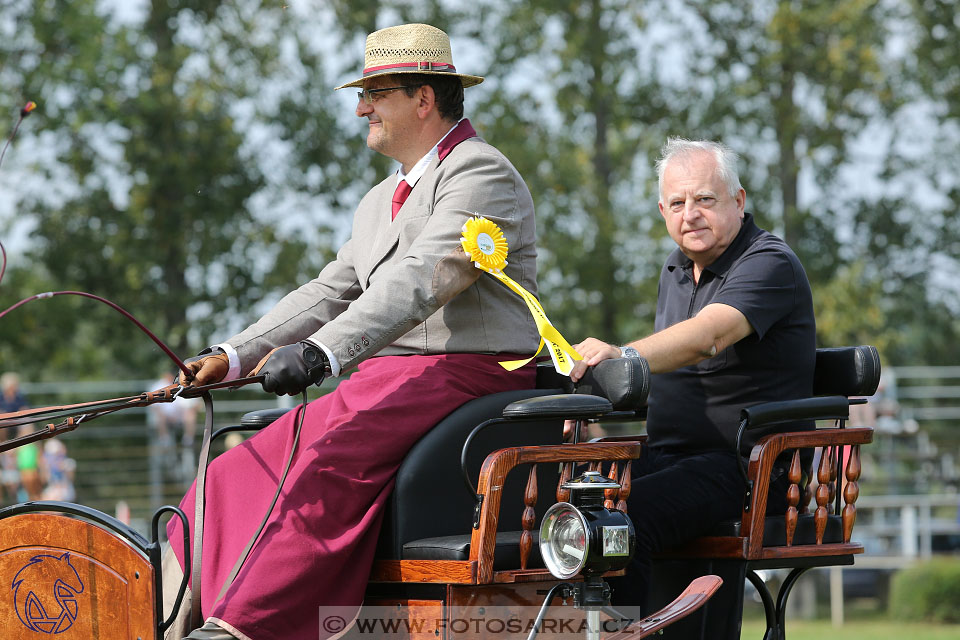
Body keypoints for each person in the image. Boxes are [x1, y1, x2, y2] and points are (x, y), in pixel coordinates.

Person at [164, 23, 540, 640]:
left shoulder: (481, 174)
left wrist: (320, 353)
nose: (362, 106)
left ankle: (243, 628)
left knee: (320, 464)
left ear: (423, 98)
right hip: (390, 376)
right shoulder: (377, 201)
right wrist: (232, 355)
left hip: (465, 373)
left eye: (376, 93)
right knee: (234, 471)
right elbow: (330, 289)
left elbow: (424, 278)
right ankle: (172, 618)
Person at [569, 138, 816, 624]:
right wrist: (577, 401)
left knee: (618, 521)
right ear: (662, 210)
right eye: (678, 203)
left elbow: (707, 337)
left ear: (738, 201)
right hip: (669, 457)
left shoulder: (768, 263)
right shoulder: (677, 269)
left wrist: (623, 355)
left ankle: (620, 636)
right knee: (567, 500)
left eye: (705, 199)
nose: (691, 214)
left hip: (747, 468)